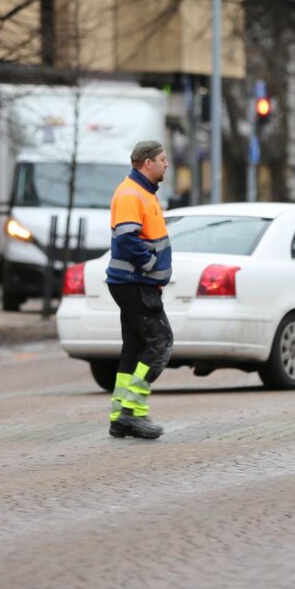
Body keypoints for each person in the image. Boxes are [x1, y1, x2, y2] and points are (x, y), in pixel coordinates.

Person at [105, 140, 174, 440]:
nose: (166, 164)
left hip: (134, 283)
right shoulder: (132, 194)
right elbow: (126, 240)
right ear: (148, 163)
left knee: (133, 348)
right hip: (135, 283)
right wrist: (149, 265)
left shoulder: (141, 191)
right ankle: (133, 413)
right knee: (160, 344)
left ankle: (120, 417)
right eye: (162, 159)